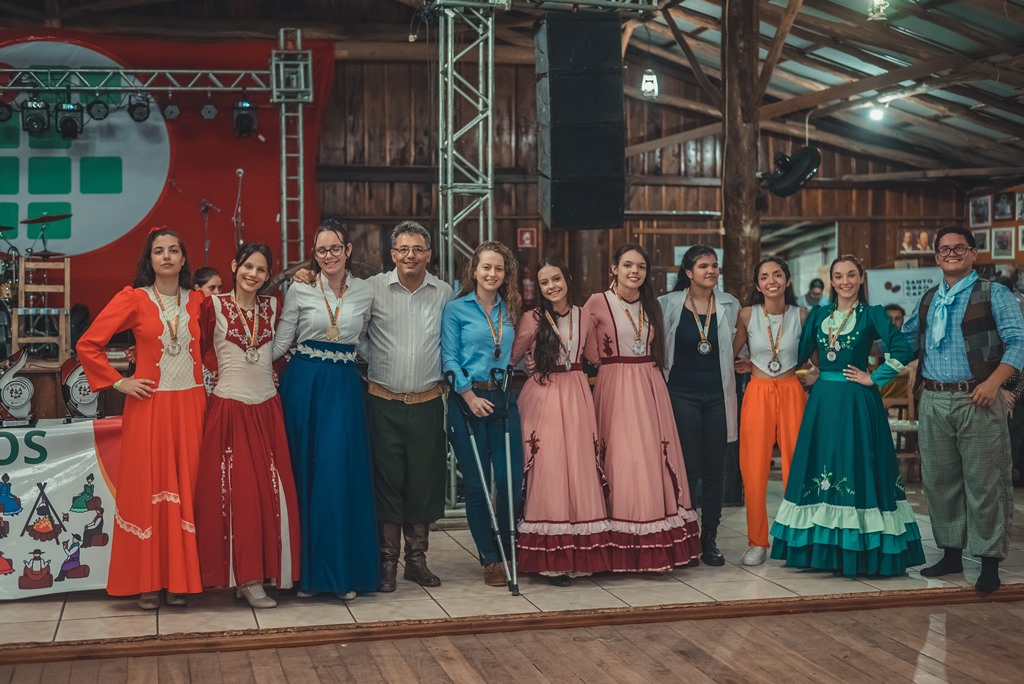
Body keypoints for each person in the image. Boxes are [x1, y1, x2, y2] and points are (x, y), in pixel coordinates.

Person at [770, 255, 925, 577]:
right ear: (832, 280)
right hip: (824, 400)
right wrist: (758, 364)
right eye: (839, 276)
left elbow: (903, 348)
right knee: (823, 462)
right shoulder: (819, 314)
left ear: (861, 278)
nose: (845, 281)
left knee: (856, 462)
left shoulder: (872, 313)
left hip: (857, 400)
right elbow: (799, 353)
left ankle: (859, 547)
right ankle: (821, 550)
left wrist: (875, 377)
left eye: (851, 275)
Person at [77, 227, 206, 609]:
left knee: (187, 490)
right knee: (148, 491)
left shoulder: (200, 302)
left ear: (183, 258)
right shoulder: (134, 299)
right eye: (158, 251)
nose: (166, 256)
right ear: (149, 260)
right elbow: (88, 344)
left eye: (173, 250)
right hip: (149, 407)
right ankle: (149, 581)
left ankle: (180, 580)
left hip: (192, 406)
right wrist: (120, 382)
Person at [903, 226, 1024, 593]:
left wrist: (994, 384)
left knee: (985, 483)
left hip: (978, 398)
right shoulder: (928, 299)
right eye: (945, 249)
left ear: (973, 253)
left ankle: (989, 562)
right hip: (934, 399)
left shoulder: (994, 293)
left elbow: (1018, 342)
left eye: (959, 248)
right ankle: (951, 554)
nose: (951, 253)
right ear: (936, 257)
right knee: (940, 482)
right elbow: (904, 341)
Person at [273, 220, 378, 600]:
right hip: (304, 385)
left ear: (348, 250)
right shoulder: (300, 288)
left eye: (335, 248)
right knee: (304, 475)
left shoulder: (367, 291)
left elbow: (366, 342)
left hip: (344, 387)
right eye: (321, 250)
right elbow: (281, 342)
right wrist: (241, 364)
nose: (329, 256)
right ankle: (306, 576)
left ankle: (339, 574)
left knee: (337, 475)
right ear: (314, 255)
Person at [583, 243, 701, 572]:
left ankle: (655, 542)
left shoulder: (653, 304)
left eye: (641, 267)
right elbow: (585, 347)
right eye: (627, 265)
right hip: (615, 383)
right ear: (614, 269)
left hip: (650, 384)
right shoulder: (597, 302)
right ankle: (619, 544)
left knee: (651, 457)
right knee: (622, 458)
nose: (634, 271)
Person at [195, 242, 301, 609]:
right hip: (230, 408)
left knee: (272, 493)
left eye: (260, 269)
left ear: (268, 275)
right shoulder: (213, 306)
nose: (252, 274)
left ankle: (266, 573)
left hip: (267, 409)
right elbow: (199, 349)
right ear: (234, 266)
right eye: (247, 266)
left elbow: (282, 350)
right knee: (238, 496)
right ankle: (246, 578)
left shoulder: (273, 307)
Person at [362, 221, 454, 592]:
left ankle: (417, 561)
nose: (410, 255)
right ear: (392, 254)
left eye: (417, 249)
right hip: (383, 401)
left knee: (423, 481)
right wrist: (376, 358)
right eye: (403, 249)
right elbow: (356, 333)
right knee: (386, 483)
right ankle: (387, 563)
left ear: (429, 255)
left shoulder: (444, 293)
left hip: (427, 403)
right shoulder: (373, 289)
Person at [512, 258, 612, 586]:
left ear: (567, 278)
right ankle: (551, 560)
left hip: (577, 392)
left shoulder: (585, 316)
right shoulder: (532, 317)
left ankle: (580, 556)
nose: (552, 286)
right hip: (544, 394)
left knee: (579, 468)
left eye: (556, 278)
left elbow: (595, 355)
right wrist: (527, 365)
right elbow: (513, 356)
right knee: (550, 468)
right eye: (545, 282)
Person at [442, 241, 524, 586]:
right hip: (467, 400)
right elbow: (448, 357)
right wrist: (468, 395)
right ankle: (490, 557)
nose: (492, 274)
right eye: (486, 267)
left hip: (503, 399)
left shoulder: (512, 308)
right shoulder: (456, 309)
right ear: (474, 271)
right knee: (476, 484)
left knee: (509, 480)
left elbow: (514, 353)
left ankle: (507, 547)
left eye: (499, 268)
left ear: (506, 274)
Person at [660, 246, 740, 566]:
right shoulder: (668, 304)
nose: (711, 271)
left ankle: (709, 538)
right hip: (681, 394)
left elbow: (736, 346)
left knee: (715, 469)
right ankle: (687, 538)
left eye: (715, 266)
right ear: (689, 272)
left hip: (718, 395)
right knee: (688, 468)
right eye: (704, 266)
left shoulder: (729, 304)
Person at [731, 256, 807, 566]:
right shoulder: (747, 315)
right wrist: (744, 364)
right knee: (753, 469)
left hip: (791, 392)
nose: (771, 281)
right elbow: (730, 353)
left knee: (795, 467)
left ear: (788, 280)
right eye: (764, 276)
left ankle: (794, 538)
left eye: (777, 275)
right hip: (758, 392)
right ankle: (757, 541)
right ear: (757, 284)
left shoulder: (802, 316)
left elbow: (815, 356)